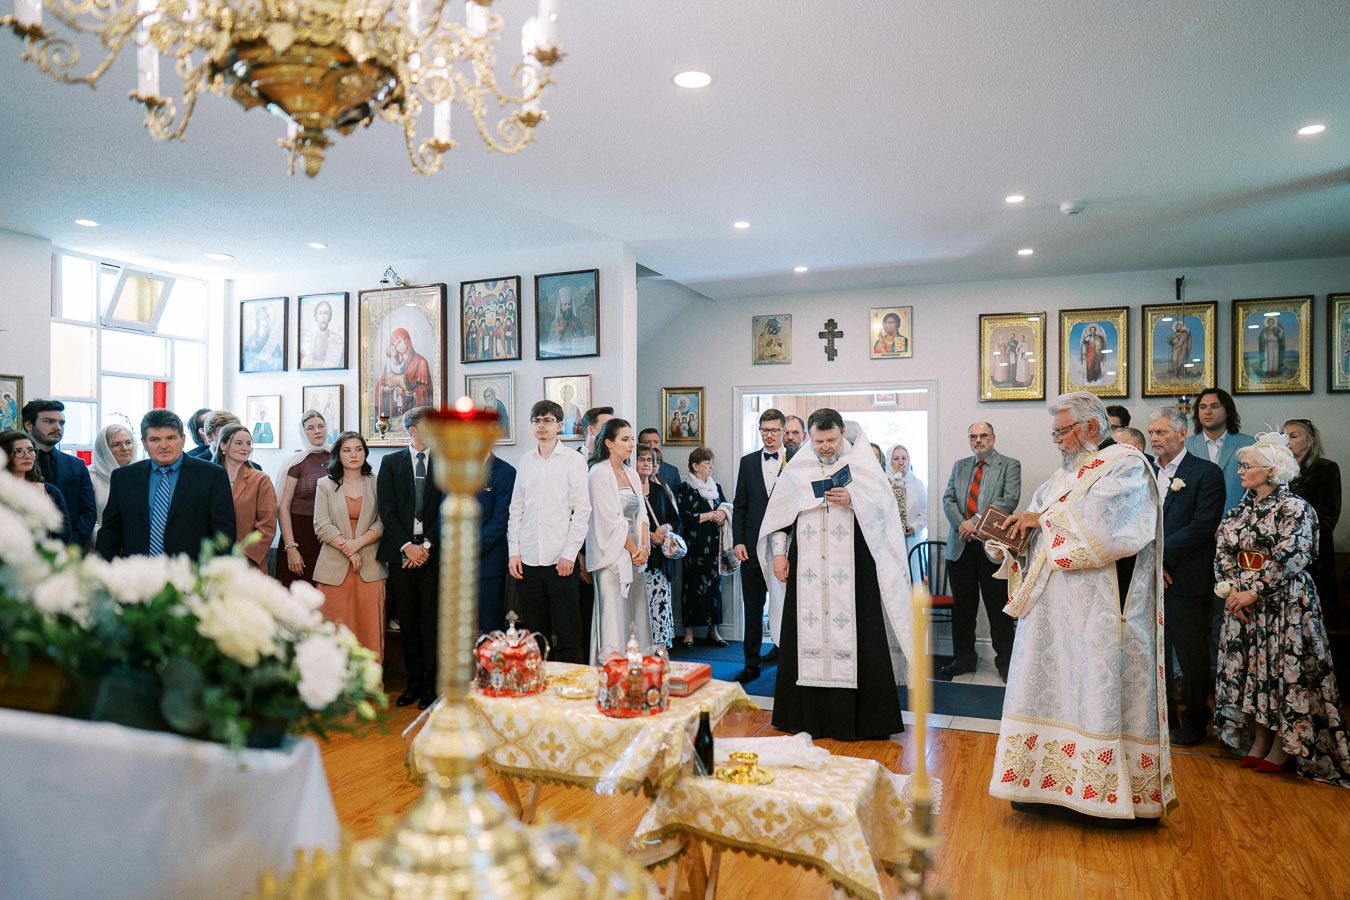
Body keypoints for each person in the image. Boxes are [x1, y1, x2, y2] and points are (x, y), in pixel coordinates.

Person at [990, 392, 1176, 823]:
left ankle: (1100, 799)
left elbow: (1115, 530)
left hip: (1099, 612)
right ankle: (1040, 786)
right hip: (1051, 615)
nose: (1056, 441)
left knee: (1093, 691)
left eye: (1062, 431)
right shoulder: (1062, 477)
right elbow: (1037, 520)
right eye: (1054, 432)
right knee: (1052, 690)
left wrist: (1044, 522)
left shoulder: (1126, 464)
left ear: (1090, 428)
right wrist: (1011, 538)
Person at [759, 409, 912, 741]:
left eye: (831, 440)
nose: (825, 447)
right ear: (809, 437)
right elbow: (780, 517)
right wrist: (780, 553)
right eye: (818, 441)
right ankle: (804, 717)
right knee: (803, 637)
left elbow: (885, 513)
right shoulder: (798, 468)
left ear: (843, 432)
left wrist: (854, 499)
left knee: (862, 637)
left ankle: (865, 722)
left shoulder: (862, 466)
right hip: (807, 570)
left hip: (854, 569)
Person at [1213, 434, 1350, 785]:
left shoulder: (1297, 508)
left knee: (1280, 672)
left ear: (1272, 471)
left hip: (1284, 604)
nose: (1241, 471)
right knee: (1253, 674)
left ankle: (1285, 745)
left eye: (1248, 466)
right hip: (1243, 605)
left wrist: (1255, 591)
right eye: (1241, 465)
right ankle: (1259, 737)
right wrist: (1232, 592)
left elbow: (1294, 554)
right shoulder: (1239, 510)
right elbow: (1223, 552)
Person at [1146, 406, 1225, 746]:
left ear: (1181, 434)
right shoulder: (1146, 471)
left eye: (1161, 432)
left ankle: (1195, 719)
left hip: (1187, 577)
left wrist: (1157, 554)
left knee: (1191, 652)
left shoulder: (1205, 473)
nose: (1154, 439)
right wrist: (1150, 562)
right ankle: (1164, 716)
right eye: (1151, 433)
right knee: (1154, 650)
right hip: (1150, 576)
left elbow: (1202, 527)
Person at [507, 400, 591, 664]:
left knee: (566, 632)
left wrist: (570, 554)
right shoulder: (525, 460)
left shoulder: (573, 461)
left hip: (560, 560)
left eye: (547, 421)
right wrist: (514, 553)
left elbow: (582, 512)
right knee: (535, 633)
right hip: (529, 557)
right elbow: (516, 510)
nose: (541, 426)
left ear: (559, 425)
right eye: (536, 421)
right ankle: (539, 686)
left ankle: (567, 690)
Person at [939, 421, 1022, 681]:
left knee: (998, 608)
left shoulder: (1010, 465)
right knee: (963, 610)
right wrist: (962, 525)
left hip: (991, 549)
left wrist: (974, 523)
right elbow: (948, 499)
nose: (978, 440)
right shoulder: (960, 466)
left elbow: (1007, 501)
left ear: (993, 438)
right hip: (961, 548)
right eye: (973, 436)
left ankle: (1005, 662)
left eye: (983, 435)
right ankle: (964, 660)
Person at [95, 409, 236, 560]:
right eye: (155, 440)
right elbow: (110, 533)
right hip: (137, 574)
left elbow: (224, 533)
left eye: (171, 438)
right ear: (144, 443)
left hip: (192, 575)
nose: (164, 445)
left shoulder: (212, 475)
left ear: (182, 439)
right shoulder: (124, 477)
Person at [376, 407, 443, 708]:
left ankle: (431, 686)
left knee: (431, 620)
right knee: (408, 620)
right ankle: (412, 683)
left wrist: (425, 546)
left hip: (432, 553)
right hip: (401, 553)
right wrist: (407, 546)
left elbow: (447, 509)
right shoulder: (390, 463)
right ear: (414, 430)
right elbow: (386, 510)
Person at [313, 431, 387, 661]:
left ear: (365, 452)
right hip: (333, 568)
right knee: (333, 630)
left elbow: (383, 521)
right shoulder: (325, 484)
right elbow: (321, 524)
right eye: (347, 450)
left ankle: (369, 688)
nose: (354, 454)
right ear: (338, 455)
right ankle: (333, 690)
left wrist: (356, 545)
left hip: (370, 566)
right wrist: (348, 549)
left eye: (358, 449)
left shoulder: (377, 482)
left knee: (369, 630)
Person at [730, 409, 789, 682]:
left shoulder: (796, 461)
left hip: (783, 548)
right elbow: (740, 504)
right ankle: (751, 664)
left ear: (783, 431)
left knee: (785, 605)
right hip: (751, 546)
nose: (770, 435)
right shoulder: (748, 462)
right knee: (753, 608)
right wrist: (738, 540)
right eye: (765, 430)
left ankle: (785, 659)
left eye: (775, 430)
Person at [586, 418, 651, 655]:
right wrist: (634, 551)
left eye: (632, 439)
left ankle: (637, 672)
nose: (631, 444)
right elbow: (610, 520)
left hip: (636, 558)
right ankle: (612, 672)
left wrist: (644, 548)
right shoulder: (598, 473)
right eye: (625, 439)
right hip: (612, 558)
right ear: (609, 443)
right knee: (614, 617)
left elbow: (641, 513)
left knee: (636, 616)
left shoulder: (632, 473)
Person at [1283, 418, 1341, 610]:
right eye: (1284, 436)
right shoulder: (1280, 472)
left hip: (1314, 556)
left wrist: (1297, 537)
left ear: (1309, 440)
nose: (1287, 440)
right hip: (1282, 555)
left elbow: (1327, 517)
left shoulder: (1325, 468)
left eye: (1293, 435)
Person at [675, 447, 730, 649]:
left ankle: (713, 631)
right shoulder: (684, 489)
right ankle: (688, 633)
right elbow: (685, 517)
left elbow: (725, 506)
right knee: (691, 590)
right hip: (694, 548)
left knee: (715, 590)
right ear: (695, 466)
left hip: (715, 547)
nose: (711, 466)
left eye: (711, 462)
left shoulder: (717, 487)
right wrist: (710, 516)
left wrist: (722, 513)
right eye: (707, 463)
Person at [22, 399, 96, 547]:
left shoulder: (76, 465)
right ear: (29, 425)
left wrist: (71, 546)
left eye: (61, 423)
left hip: (69, 549)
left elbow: (88, 512)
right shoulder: (13, 462)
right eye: (49, 421)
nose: (58, 427)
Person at [275, 411, 331, 588]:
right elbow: (283, 506)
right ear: (302, 432)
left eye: (320, 426)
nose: (317, 431)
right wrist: (291, 547)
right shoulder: (296, 462)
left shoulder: (337, 458)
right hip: (300, 533)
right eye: (310, 428)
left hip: (329, 533)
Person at [213, 422, 279, 570]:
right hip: (213, 562)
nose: (245, 448)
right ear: (223, 445)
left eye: (248, 443)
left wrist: (246, 557)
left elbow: (267, 525)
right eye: (238, 443)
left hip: (248, 563)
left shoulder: (260, 480)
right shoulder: (208, 477)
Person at [1185, 388, 1255, 513]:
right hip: (1195, 522)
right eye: (1202, 407)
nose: (1207, 412)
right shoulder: (1185, 446)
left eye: (1214, 406)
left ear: (1227, 411)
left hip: (1239, 520)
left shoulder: (1249, 445)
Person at [637, 446, 680, 648]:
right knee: (641, 606)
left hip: (659, 560)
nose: (646, 463)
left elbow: (675, 519)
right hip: (638, 556)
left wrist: (665, 528)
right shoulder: (629, 491)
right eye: (641, 459)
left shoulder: (659, 490)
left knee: (659, 604)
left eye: (649, 460)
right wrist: (648, 537)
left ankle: (659, 649)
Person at [0, 430, 71, 539]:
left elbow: (63, 533)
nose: (27, 456)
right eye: (18, 451)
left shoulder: (50, 491)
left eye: (30, 450)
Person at [477, 448, 516, 634]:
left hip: (488, 563)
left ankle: (490, 664)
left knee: (490, 627)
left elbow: (501, 521)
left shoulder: (505, 472)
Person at [89, 423, 137, 544]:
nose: (125, 448)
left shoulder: (143, 472)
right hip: (100, 546)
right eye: (116, 444)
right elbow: (88, 517)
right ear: (104, 448)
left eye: (128, 442)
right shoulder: (91, 475)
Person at [376, 327, 432, 420]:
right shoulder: (392, 363)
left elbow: (425, 392)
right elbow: (381, 383)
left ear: (407, 340)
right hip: (393, 412)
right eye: (395, 345)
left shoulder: (421, 362)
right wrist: (384, 389)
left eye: (400, 342)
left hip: (413, 416)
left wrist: (405, 394)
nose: (398, 347)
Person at [888, 444, 928, 553]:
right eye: (896, 459)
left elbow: (926, 511)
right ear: (889, 461)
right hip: (890, 539)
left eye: (904, 458)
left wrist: (914, 527)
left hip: (912, 540)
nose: (901, 463)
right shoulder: (885, 483)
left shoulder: (917, 483)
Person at [302, 298, 344, 368]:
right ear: (316, 317)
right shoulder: (309, 339)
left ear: (330, 316)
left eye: (326, 313)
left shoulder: (336, 338)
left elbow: (335, 364)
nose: (323, 317)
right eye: (320, 313)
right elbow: (305, 364)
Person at [243, 305, 282, 370]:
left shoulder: (273, 339)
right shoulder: (251, 339)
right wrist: (255, 359)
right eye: (259, 318)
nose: (261, 321)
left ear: (269, 320)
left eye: (264, 318)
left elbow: (280, 361)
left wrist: (271, 361)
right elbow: (245, 359)